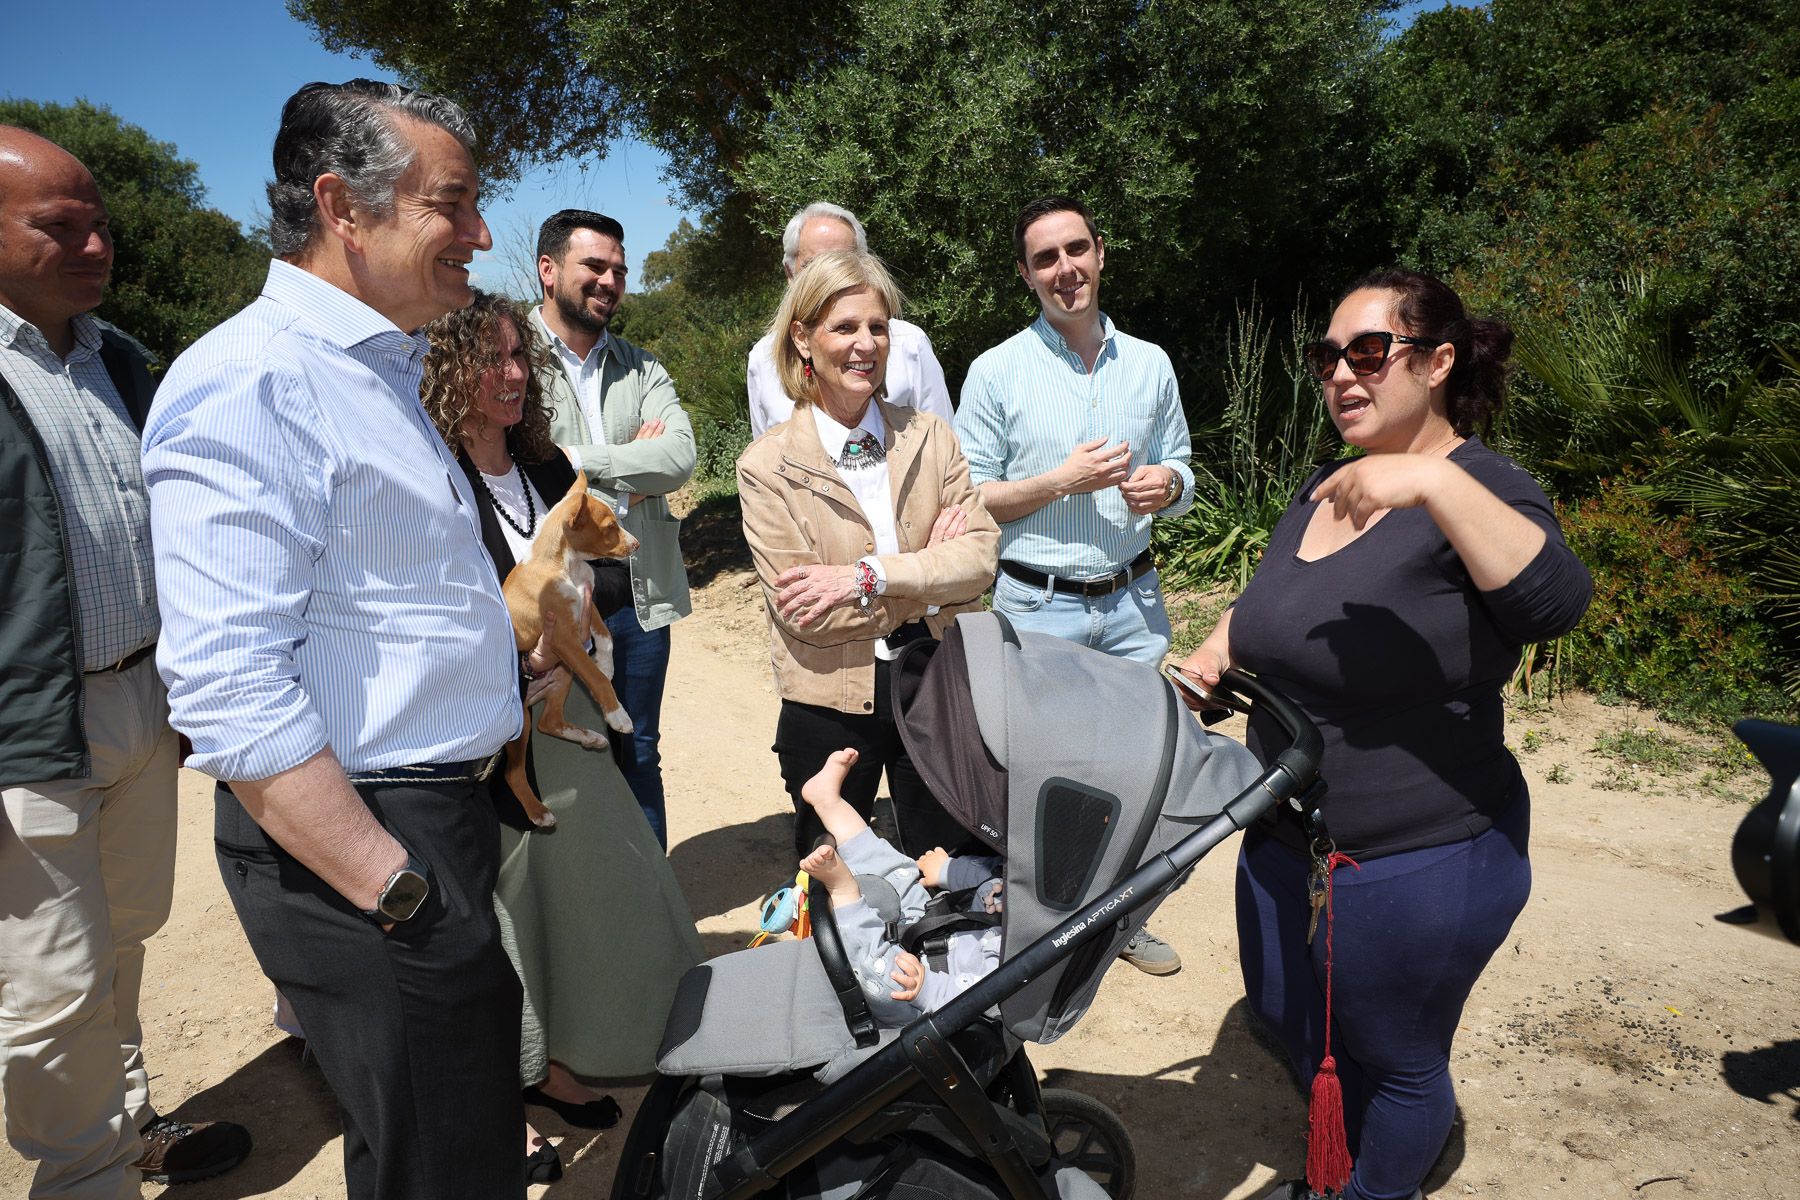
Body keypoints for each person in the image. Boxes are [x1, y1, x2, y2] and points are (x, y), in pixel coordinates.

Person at [142, 81, 528, 1200]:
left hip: (418, 816)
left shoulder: (379, 367)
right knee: (445, 1171)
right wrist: (399, 894)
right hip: (362, 841)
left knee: (440, 1151)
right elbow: (225, 687)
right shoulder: (251, 380)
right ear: (341, 206)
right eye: (450, 204)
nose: (482, 233)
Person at [1175, 269, 1592, 1200]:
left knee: (1394, 1054)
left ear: (1438, 362)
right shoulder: (1327, 482)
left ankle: (1370, 1187)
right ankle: (1345, 1157)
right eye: (1329, 357)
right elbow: (1270, 602)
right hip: (1287, 836)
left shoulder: (1482, 487)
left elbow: (1555, 602)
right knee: (1290, 1020)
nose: (1342, 375)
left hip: (1416, 858)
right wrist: (1212, 650)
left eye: (1369, 352)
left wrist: (1434, 483)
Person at [0, 124, 251, 1197]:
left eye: (103, 222)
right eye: (63, 225)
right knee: (51, 982)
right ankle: (84, 1181)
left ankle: (132, 1119)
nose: (98, 243)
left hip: (145, 696)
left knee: (129, 933)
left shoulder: (121, 359)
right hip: (28, 729)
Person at [421, 291, 705, 1183]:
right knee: (500, 918)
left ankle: (592, 1051)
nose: (510, 374)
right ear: (445, 368)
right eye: (489, 357)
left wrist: (573, 653)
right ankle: (515, 1093)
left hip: (569, 718)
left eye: (519, 358)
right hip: (481, 732)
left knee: (606, 888)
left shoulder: (546, 465)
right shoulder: (423, 467)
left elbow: (588, 581)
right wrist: (515, 671)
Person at [954, 194, 1194, 977]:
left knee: (1131, 774)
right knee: (1042, 781)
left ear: (1101, 252)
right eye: (1046, 259)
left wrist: (1168, 483)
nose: (1066, 269)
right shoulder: (996, 372)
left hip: (1132, 606)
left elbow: (1186, 468)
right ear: (1025, 275)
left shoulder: (1152, 363)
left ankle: (1120, 920)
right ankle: (1031, 933)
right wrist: (1061, 481)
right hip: (1036, 606)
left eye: (1076, 250)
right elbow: (970, 497)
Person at [737, 249, 998, 861]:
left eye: (877, 327)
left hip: (936, 681)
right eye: (845, 327)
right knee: (836, 879)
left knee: (951, 871)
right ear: (802, 338)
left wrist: (867, 576)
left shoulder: (930, 436)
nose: (866, 344)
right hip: (828, 703)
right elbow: (808, 613)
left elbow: (981, 558)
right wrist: (930, 578)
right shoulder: (766, 467)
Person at [531, 208, 694, 848]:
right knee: (559, 752)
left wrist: (580, 462)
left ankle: (655, 912)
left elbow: (678, 458)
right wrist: (635, 461)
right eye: (594, 266)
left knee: (640, 748)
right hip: (555, 598)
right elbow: (526, 472)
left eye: (618, 271)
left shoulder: (642, 366)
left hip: (638, 592)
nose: (609, 282)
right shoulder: (509, 358)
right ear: (548, 270)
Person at [799, 749, 1004, 1027]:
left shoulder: (1034, 947)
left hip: (930, 1000)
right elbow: (999, 872)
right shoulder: (1033, 880)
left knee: (886, 981)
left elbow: (993, 994)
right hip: (938, 932)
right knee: (901, 875)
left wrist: (929, 989)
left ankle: (843, 892)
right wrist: (955, 873)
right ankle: (828, 801)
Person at [746, 202, 954, 438]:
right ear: (790, 273)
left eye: (843, 261)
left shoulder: (909, 345)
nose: (830, 277)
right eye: (813, 266)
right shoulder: (763, 359)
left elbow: (944, 447)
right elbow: (763, 460)